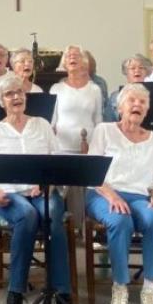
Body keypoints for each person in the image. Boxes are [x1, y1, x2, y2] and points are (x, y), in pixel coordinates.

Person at [0, 76, 77, 304]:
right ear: (1, 101)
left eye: (19, 92)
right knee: (28, 215)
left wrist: (46, 184)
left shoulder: (42, 125)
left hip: (42, 191)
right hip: (9, 197)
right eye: (9, 94)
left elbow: (57, 165)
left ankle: (63, 301)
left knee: (53, 216)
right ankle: (15, 301)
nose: (16, 97)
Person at [85, 83, 153, 304]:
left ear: (147, 109)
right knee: (120, 221)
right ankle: (120, 288)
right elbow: (92, 172)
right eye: (131, 100)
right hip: (103, 193)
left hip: (140, 197)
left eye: (142, 102)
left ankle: (149, 292)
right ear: (119, 106)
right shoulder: (104, 131)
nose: (137, 105)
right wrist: (112, 196)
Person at [51, 45, 102, 230]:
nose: (72, 58)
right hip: (62, 145)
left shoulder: (94, 89)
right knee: (63, 189)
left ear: (85, 62)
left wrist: (95, 145)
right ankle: (62, 226)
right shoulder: (57, 88)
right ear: (64, 62)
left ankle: (82, 229)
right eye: (68, 56)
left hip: (87, 145)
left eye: (77, 56)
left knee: (83, 190)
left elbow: (98, 119)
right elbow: (52, 122)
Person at [106, 54, 153, 123]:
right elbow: (109, 121)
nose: (137, 70)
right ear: (126, 72)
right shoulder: (115, 96)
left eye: (141, 68)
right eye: (132, 68)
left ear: (147, 72)